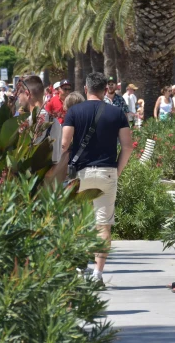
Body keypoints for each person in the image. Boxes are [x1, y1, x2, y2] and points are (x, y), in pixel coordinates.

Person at [59, 72, 133, 284]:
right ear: (105, 89)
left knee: (77, 224)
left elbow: (64, 145)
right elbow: (127, 147)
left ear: (86, 89)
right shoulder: (117, 113)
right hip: (107, 171)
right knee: (103, 226)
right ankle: (98, 274)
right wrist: (116, 171)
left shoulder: (74, 111)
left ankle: (79, 270)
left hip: (79, 174)